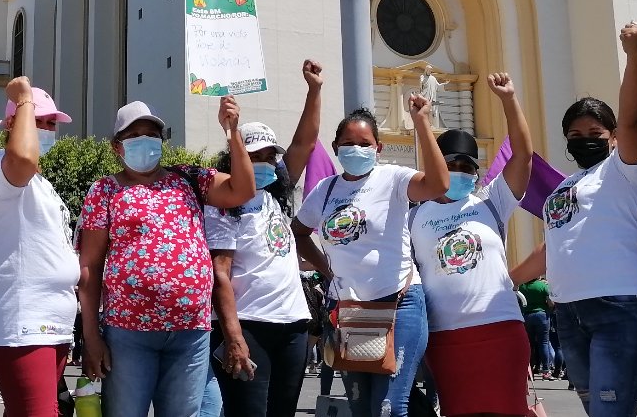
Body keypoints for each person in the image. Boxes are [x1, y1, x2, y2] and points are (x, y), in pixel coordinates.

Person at [509, 21, 637, 417]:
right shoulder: (565, 187)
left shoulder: (626, 170)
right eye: (574, 135)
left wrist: (634, 55)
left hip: (620, 308)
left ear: (612, 136)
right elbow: (551, 248)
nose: (584, 140)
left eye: (594, 131)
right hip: (570, 314)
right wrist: (503, 281)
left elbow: (633, 120)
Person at [76, 98, 256, 417]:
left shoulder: (189, 179)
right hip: (128, 332)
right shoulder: (104, 190)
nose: (145, 141)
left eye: (152, 134)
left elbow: (242, 190)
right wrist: (91, 336)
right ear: (117, 147)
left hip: (190, 332)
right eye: (135, 136)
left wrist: (232, 131)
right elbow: (89, 268)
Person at [291, 93, 451, 417]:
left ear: (378, 148)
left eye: (365, 143)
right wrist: (325, 269)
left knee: (390, 407)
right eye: (348, 142)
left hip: (399, 304)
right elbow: (298, 232)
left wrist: (422, 122)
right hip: (348, 312)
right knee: (362, 408)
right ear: (335, 148)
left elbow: (438, 184)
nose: (356, 149)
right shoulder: (325, 190)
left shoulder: (393, 179)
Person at [407, 73, 534, 417]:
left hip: (501, 331)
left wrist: (509, 99)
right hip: (445, 338)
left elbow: (523, 156)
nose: (460, 171)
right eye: (451, 165)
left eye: (468, 166)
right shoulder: (413, 216)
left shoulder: (491, 202)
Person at [206, 60, 324, 417]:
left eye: (269, 155)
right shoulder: (224, 203)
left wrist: (314, 89)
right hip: (248, 327)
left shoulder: (280, 190)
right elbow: (219, 274)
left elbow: (305, 142)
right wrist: (233, 336)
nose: (264, 162)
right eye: (254, 156)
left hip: (293, 326)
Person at [0, 76, 81, 417]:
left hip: (48, 323)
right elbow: (21, 157)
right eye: (40, 122)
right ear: (12, 123)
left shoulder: (39, 182)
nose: (48, 129)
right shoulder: (0, 165)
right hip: (24, 323)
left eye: (52, 123)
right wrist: (24, 98)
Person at [518, 278, 555, 381]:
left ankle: (530, 371)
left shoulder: (522, 286)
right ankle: (546, 371)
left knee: (530, 344)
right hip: (542, 315)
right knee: (544, 343)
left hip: (527, 316)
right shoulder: (542, 286)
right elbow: (551, 303)